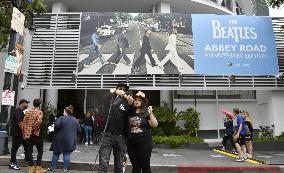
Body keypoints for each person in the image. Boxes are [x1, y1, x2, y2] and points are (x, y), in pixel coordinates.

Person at [98, 82, 134, 173]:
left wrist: (131, 104)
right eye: (120, 88)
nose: (122, 90)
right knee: (103, 163)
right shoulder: (110, 98)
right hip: (107, 135)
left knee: (119, 165)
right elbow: (104, 98)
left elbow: (132, 114)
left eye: (124, 89)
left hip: (120, 137)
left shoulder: (127, 102)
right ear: (116, 89)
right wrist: (113, 91)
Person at [127, 91, 158, 173]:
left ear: (143, 102)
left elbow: (154, 125)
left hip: (144, 143)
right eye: (135, 99)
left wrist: (150, 113)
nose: (137, 101)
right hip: (131, 143)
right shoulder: (130, 111)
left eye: (139, 100)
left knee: (145, 167)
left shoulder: (146, 112)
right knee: (135, 167)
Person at [47, 106, 80, 172]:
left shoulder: (61, 118)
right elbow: (79, 130)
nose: (63, 112)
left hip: (59, 139)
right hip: (70, 140)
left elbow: (56, 126)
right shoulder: (75, 120)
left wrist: (55, 132)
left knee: (56, 154)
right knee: (67, 154)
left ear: (66, 112)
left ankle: (53, 168)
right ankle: (65, 168)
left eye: (64, 111)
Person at [20, 99, 45, 173]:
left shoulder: (28, 112)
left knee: (29, 150)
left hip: (28, 134)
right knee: (40, 150)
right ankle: (38, 167)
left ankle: (31, 167)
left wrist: (25, 132)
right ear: (39, 104)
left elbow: (23, 123)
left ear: (33, 104)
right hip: (36, 134)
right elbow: (38, 122)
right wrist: (33, 130)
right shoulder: (39, 112)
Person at [9, 99, 29, 170]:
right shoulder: (18, 111)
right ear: (22, 103)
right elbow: (19, 122)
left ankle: (28, 158)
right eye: (26, 103)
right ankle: (12, 163)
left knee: (26, 146)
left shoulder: (21, 111)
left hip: (20, 133)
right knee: (14, 149)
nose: (27, 105)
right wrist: (25, 130)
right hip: (17, 133)